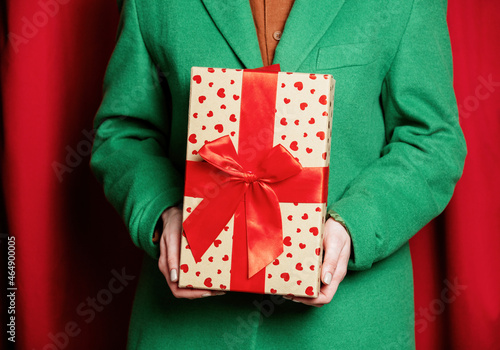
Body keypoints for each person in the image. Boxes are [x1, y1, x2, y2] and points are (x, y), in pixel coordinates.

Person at [90, 0, 466, 348]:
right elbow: (123, 131)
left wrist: (356, 226)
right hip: (187, 328)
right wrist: (162, 213)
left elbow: (433, 140)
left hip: (345, 328)